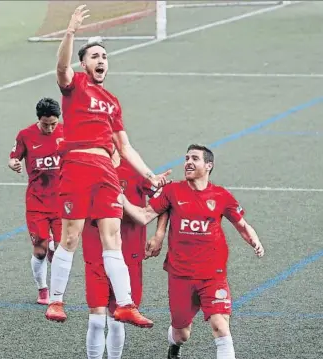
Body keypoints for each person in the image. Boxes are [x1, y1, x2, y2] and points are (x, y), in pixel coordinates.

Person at [45, 4, 171, 328]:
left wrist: (149, 174)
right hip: (77, 165)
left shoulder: (112, 101)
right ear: (84, 63)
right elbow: (61, 67)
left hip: (105, 171)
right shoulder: (74, 86)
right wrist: (70, 32)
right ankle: (56, 300)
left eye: (104, 57)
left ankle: (126, 304)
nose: (101, 61)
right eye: (95, 57)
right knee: (70, 236)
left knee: (111, 237)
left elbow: (125, 146)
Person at [121, 144, 265, 359]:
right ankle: (174, 347)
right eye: (186, 158)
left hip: (213, 275)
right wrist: (120, 199)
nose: (188, 162)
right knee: (182, 334)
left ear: (208, 166)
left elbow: (242, 225)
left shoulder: (221, 195)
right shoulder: (172, 191)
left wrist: (254, 240)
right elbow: (143, 216)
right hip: (180, 275)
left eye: (194, 158)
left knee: (220, 326)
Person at [82, 149, 169, 358]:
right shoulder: (84, 168)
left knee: (118, 316)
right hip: (96, 252)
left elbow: (165, 200)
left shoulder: (134, 168)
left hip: (129, 251)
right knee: (96, 318)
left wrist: (158, 234)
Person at [8, 97, 63, 305]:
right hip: (36, 202)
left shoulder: (67, 133)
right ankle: (42, 289)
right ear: (38, 119)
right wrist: (13, 163)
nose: (49, 129)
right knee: (40, 250)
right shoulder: (25, 135)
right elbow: (14, 157)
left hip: (62, 202)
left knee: (60, 251)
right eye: (45, 124)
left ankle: (58, 295)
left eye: (53, 124)